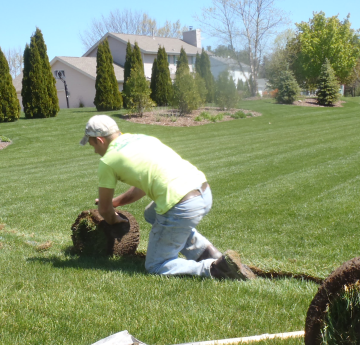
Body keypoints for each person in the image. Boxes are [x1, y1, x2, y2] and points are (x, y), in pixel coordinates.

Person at [80, 114, 255, 280]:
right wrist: (115, 202)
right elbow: (142, 186)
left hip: (182, 205)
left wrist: (114, 222)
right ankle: (207, 252)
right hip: (203, 191)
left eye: (93, 145)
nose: (95, 151)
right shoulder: (142, 139)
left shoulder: (108, 161)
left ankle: (215, 268)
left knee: (156, 265)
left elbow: (103, 210)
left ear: (100, 140)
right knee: (151, 214)